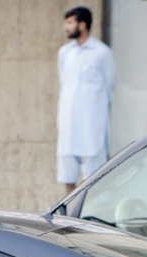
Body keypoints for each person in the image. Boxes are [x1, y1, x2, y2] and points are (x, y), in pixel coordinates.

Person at [57, 6, 115, 195]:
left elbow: (109, 87)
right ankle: (69, 216)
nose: (66, 27)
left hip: (92, 124)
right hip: (68, 122)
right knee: (67, 172)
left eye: (70, 23)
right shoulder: (65, 53)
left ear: (82, 25)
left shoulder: (102, 52)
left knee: (93, 174)